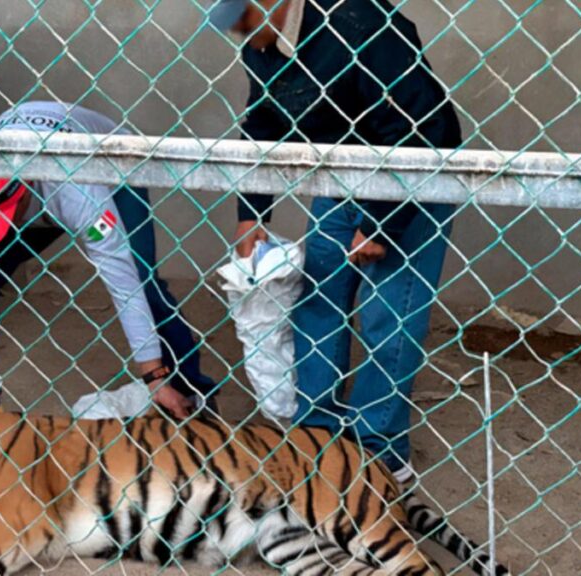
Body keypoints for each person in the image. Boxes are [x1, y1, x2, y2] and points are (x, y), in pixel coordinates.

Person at [210, 0, 462, 485]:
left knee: (387, 318)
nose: (239, 34)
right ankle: (318, 438)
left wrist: (382, 222)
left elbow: (427, 128)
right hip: (341, 177)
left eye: (243, 18)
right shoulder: (261, 41)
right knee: (316, 303)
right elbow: (261, 128)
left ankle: (379, 451)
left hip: (415, 180)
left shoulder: (360, 23)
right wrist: (251, 215)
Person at [0, 101, 217, 418]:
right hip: (35, 188)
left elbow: (124, 282)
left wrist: (153, 376)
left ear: (22, 193)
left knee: (142, 279)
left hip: (112, 171)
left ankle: (188, 391)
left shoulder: (79, 191)